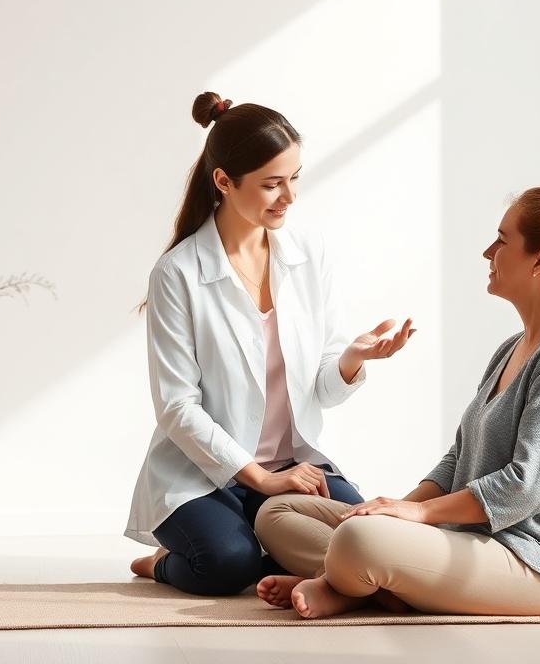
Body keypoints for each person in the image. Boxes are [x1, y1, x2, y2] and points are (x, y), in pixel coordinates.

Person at [253, 182, 540, 618]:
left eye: (503, 241)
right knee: (277, 512)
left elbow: (524, 488)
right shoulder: (513, 347)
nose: (489, 253)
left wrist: (418, 516)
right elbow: (459, 457)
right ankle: (364, 581)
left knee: (358, 541)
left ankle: (349, 577)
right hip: (472, 540)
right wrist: (398, 510)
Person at [124, 92, 415, 596]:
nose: (289, 196)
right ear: (224, 181)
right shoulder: (177, 274)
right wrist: (261, 479)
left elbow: (321, 385)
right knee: (228, 564)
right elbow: (176, 407)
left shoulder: (308, 254)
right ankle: (162, 563)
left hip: (294, 466)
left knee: (368, 537)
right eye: (272, 184)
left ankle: (284, 558)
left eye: (294, 178)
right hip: (205, 474)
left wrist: (351, 359)